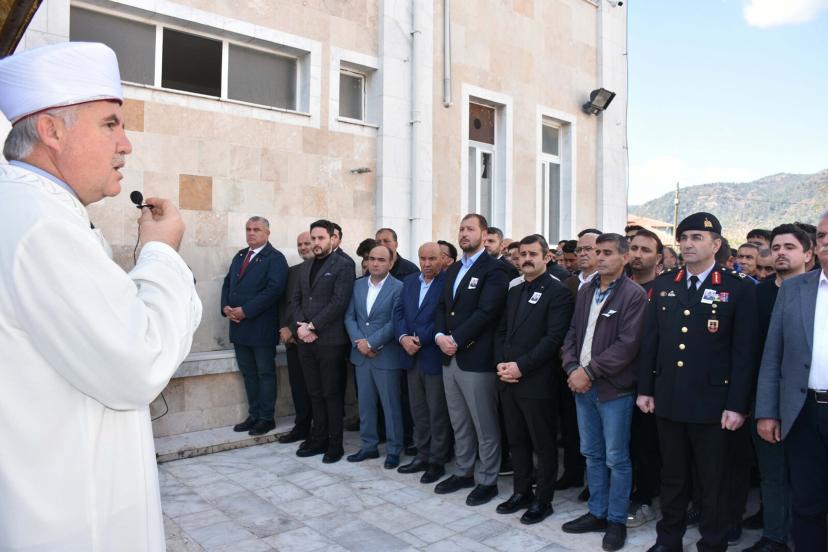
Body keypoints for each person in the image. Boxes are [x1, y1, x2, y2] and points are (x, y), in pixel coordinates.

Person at [0, 42, 202, 550]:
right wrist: (161, 253)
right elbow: (139, 363)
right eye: (110, 124)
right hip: (75, 518)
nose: (126, 145)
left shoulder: (26, 208)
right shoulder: (42, 225)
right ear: (52, 130)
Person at [637, 212, 758, 552]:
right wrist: (646, 389)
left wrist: (737, 405)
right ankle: (668, 539)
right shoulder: (666, 283)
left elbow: (744, 353)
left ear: (716, 244)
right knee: (672, 476)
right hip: (669, 397)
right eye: (684, 238)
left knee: (713, 480)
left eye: (697, 238)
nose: (688, 244)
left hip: (713, 403)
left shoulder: (736, 287)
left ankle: (713, 542)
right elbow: (651, 341)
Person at [560, 234, 647, 551]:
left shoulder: (634, 295)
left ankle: (616, 520)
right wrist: (572, 367)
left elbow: (627, 345)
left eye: (607, 252)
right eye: (597, 251)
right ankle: (597, 512)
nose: (600, 257)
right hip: (581, 386)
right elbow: (572, 333)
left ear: (625, 257)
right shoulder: (586, 290)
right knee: (592, 453)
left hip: (613, 390)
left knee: (616, 458)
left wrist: (588, 372)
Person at [756, 210, 828, 552]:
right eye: (823, 235)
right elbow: (773, 355)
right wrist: (768, 412)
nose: (827, 241)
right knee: (806, 502)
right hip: (804, 412)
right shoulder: (796, 289)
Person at [494, 235, 574, 524]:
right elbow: (502, 331)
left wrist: (521, 367)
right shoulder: (514, 290)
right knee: (516, 440)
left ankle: (543, 500)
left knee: (543, 444)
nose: (526, 259)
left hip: (537, 380)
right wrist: (501, 363)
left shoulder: (558, 292)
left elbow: (553, 339)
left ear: (546, 258)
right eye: (522, 254)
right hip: (508, 378)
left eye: (532, 254)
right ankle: (522, 491)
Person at [743, 224, 812, 552]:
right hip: (765, 397)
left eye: (790, 247)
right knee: (772, 473)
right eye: (776, 247)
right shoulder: (757, 294)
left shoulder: (817, 293)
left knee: (808, 475)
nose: (781, 252)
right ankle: (773, 536)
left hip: (808, 400)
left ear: (808, 254)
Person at [434, 213, 509, 506]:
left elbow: (487, 312)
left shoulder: (495, 269)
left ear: (484, 234)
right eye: (461, 228)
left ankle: (488, 479)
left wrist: (456, 340)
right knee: (459, 420)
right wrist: (440, 335)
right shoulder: (453, 268)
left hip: (476, 357)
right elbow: (443, 306)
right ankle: (464, 471)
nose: (464, 233)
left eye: (470, 229)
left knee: (484, 423)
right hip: (448, 357)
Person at [291, 219, 356, 463]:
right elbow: (296, 299)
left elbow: (339, 302)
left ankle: (335, 444)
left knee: (331, 393)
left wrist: (312, 326)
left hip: (330, 341)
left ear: (332, 239)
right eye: (313, 238)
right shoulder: (306, 266)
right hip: (306, 340)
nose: (316, 243)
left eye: (320, 238)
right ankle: (318, 439)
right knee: (314, 392)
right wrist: (301, 327)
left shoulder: (343, 265)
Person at [222, 217, 289, 436]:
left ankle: (266, 418)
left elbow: (273, 291)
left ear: (267, 233)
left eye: (257, 229)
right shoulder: (241, 255)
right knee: (249, 374)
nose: (251, 233)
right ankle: (254, 415)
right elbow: (228, 283)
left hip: (261, 328)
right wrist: (226, 307)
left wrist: (246, 310)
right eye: (248, 229)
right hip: (239, 327)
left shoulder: (275, 258)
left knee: (265, 374)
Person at [394, 243, 451, 483]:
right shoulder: (409, 281)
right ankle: (422, 454)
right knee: (418, 410)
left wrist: (420, 338)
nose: (426, 264)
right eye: (422, 258)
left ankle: (437, 461)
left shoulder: (447, 283)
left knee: (437, 412)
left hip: (433, 356)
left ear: (443, 260)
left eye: (432, 259)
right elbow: (398, 312)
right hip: (410, 355)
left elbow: (445, 318)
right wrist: (403, 337)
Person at [344, 245, 404, 469]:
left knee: (391, 406)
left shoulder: (399, 287)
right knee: (365, 405)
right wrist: (359, 342)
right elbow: (349, 317)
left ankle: (394, 449)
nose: (375, 263)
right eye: (372, 259)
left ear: (391, 263)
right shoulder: (358, 285)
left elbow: (394, 322)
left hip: (385, 355)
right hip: (361, 356)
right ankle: (369, 445)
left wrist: (371, 343)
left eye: (381, 259)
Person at [626, 229, 664, 528]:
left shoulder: (664, 290)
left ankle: (644, 497)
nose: (637, 254)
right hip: (615, 378)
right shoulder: (618, 286)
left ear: (659, 258)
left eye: (645, 250)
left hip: (648, 380)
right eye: (634, 248)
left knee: (646, 445)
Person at [278, 231, 316, 444]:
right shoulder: (292, 272)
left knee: (315, 388)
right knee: (298, 387)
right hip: (292, 342)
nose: (303, 247)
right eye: (299, 244)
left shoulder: (323, 270)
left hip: (313, 339)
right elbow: (285, 303)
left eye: (307, 243)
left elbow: (312, 306)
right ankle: (301, 427)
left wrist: (293, 328)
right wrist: (284, 328)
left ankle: (319, 430)